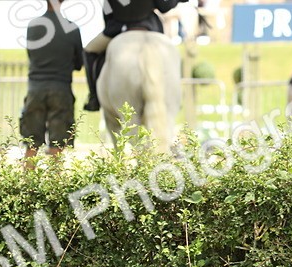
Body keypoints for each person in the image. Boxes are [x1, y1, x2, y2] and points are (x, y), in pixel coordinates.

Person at [82, 0, 186, 112]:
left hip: (117, 28)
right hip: (149, 26)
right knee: (170, 52)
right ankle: (174, 94)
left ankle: (94, 97)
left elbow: (107, 12)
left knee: (89, 51)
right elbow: (163, 6)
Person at [20, 0, 84, 160]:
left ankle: (28, 181)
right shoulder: (72, 27)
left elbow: (31, 55)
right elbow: (79, 63)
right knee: (58, 143)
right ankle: (56, 182)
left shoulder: (33, 26)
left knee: (31, 143)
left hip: (35, 89)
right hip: (61, 89)